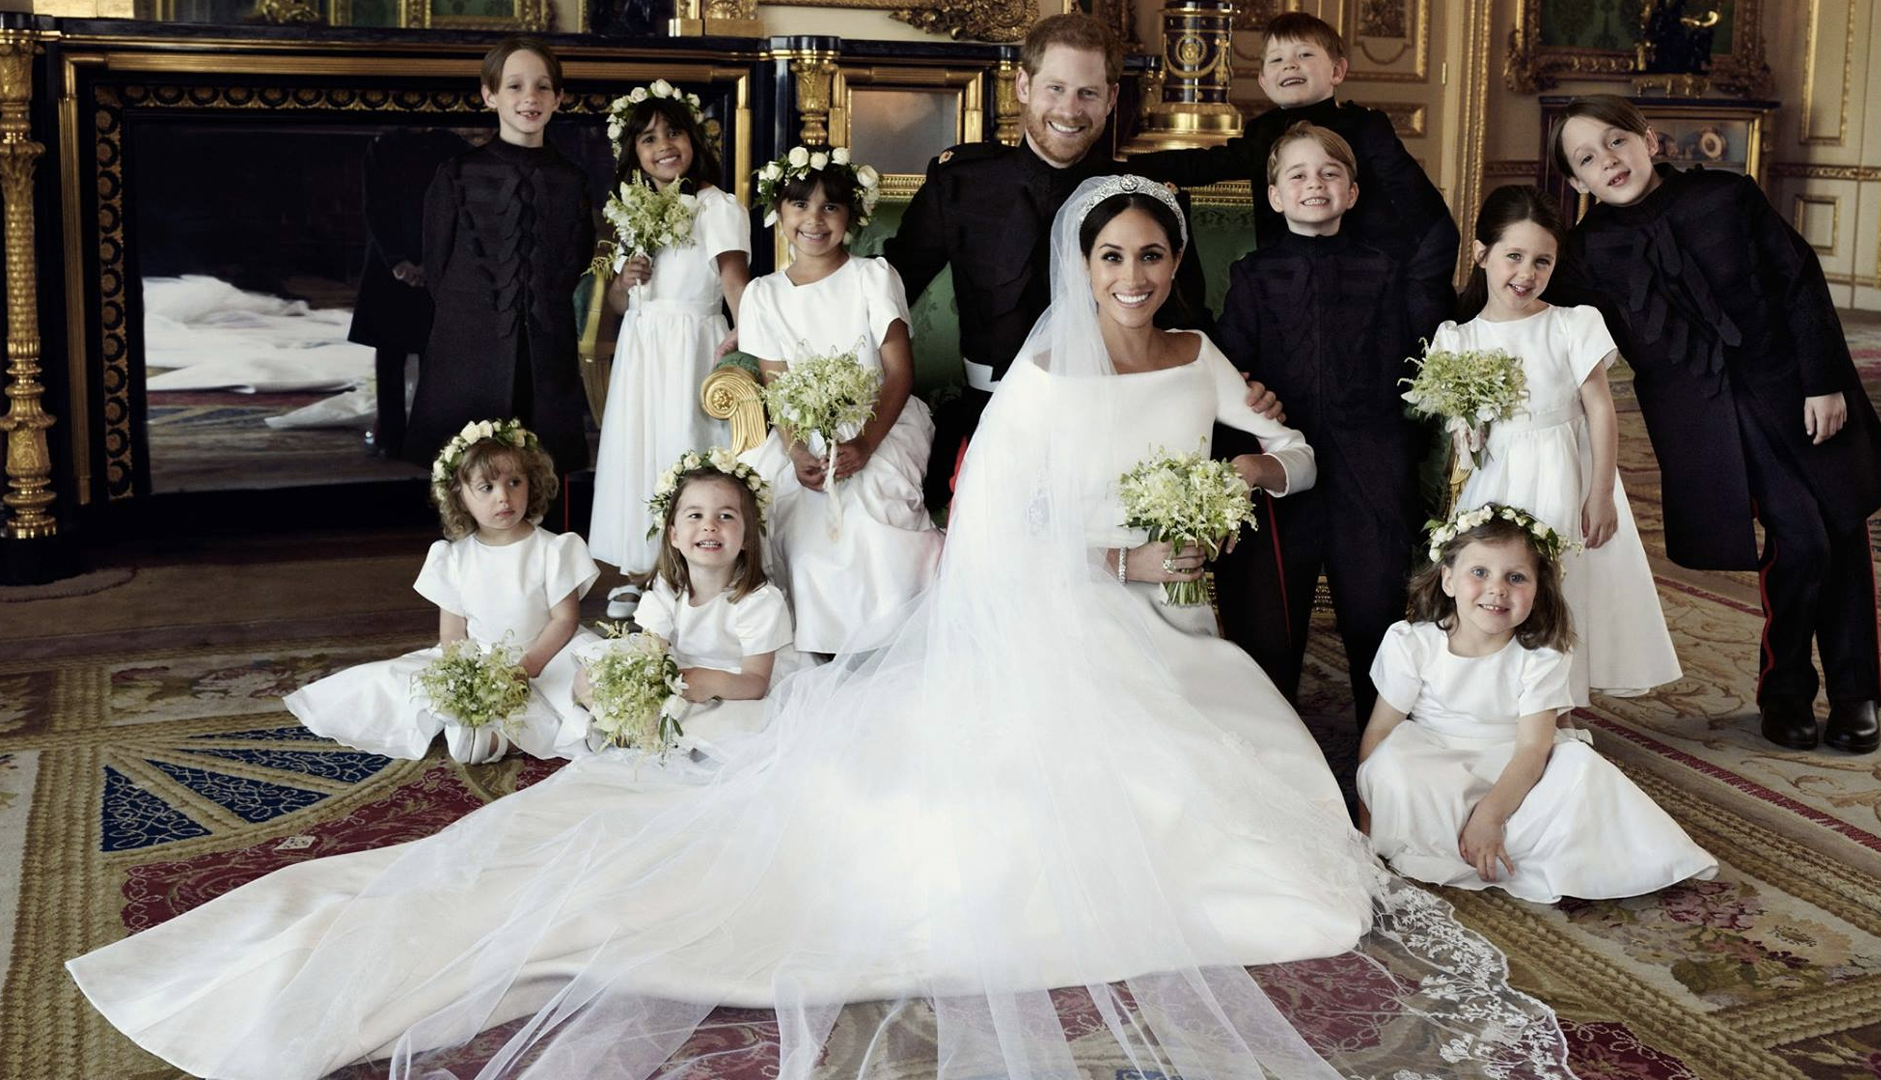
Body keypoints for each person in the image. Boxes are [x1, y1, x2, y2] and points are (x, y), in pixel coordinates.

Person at [66, 178, 1573, 1080]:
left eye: (1154, 259)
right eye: (1114, 260)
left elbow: (1287, 445)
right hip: (1070, 616)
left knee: (1262, 799)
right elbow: (1004, 530)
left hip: (1176, 622)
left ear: (1178, 268)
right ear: (1084, 269)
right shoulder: (1044, 381)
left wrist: (1245, 479)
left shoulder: (1196, 351)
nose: (1135, 278)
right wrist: (1128, 548)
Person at [1550, 94, 1881, 752]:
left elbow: (1798, 281)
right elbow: (1547, 323)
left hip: (1795, 389)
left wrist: (1825, 380)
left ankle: (1856, 694)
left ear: (1649, 139)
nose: (1609, 160)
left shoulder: (1727, 196)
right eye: (1588, 158)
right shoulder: (1589, 251)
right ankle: (1787, 687)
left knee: (1842, 527)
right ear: (1577, 182)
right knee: (1804, 538)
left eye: (1617, 141)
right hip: (1706, 422)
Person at [884, 12, 1268, 510]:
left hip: (1123, 421)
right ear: (1023, 86)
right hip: (996, 415)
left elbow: (1188, 321)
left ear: (1111, 99)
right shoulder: (961, 184)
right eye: (1055, 88)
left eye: (1088, 93)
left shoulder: (1143, 198)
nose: (1069, 109)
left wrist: (1242, 387)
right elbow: (887, 288)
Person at [1211, 123, 1450, 727]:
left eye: (1329, 173)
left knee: (1375, 615)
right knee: (1268, 627)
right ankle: (1272, 744)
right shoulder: (1253, 275)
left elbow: (1411, 366)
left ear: (1352, 191)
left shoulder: (1386, 272)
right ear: (1274, 196)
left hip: (1370, 468)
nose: (1314, 184)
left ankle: (1381, 747)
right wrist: (1250, 391)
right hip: (1282, 470)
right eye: (1297, 175)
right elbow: (1230, 371)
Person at [1357, 503, 1718, 902]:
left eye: (1516, 577)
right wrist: (1365, 826)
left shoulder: (1541, 656)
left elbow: (1533, 749)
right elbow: (1380, 732)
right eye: (1480, 572)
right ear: (1448, 580)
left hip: (1516, 763)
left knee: (1580, 767)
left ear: (1538, 589)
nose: (1498, 588)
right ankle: (1457, 843)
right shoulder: (1412, 644)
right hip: (1435, 762)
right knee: (1392, 766)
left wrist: (1490, 815)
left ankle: (1498, 839)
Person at [1430, 185, 1680, 705]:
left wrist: (1600, 493)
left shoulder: (1572, 324)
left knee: (1564, 583)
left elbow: (1601, 411)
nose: (1526, 273)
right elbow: (1457, 429)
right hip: (1497, 480)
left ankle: (1560, 708)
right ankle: (1503, 700)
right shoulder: (1457, 338)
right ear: (1481, 254)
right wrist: (1466, 429)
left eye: (1541, 261)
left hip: (1567, 474)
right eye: (1514, 256)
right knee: (1500, 585)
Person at [286, 419, 598, 764]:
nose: (503, 496)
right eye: (486, 487)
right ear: (459, 495)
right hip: (483, 659)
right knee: (402, 684)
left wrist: (527, 667)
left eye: (514, 482)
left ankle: (520, 735)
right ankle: (487, 733)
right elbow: (452, 634)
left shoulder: (554, 549)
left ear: (532, 482)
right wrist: (468, 678)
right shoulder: (453, 558)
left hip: (547, 655)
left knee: (584, 686)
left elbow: (564, 619)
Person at [737, 146, 943, 654]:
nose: (814, 219)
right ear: (779, 211)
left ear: (851, 215)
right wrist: (795, 451)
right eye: (800, 204)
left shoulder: (873, 276)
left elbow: (898, 373)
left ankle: (892, 640)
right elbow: (778, 390)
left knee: (873, 523)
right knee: (800, 526)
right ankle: (819, 644)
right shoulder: (762, 294)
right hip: (803, 431)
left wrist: (866, 443)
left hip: (879, 421)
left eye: (830, 206)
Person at [587, 81, 752, 613]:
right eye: (649, 138)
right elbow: (619, 303)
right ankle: (637, 569)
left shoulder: (715, 206)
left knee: (685, 446)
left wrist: (747, 335)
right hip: (643, 348)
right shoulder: (632, 210)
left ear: (694, 140)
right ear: (633, 152)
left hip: (691, 346)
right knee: (639, 450)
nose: (664, 146)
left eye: (674, 133)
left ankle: (690, 572)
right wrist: (624, 280)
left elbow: (735, 282)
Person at [1128, 11, 1456, 273]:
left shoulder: (1365, 126)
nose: (1290, 64)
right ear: (1263, 81)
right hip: (1286, 269)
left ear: (1337, 71)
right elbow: (1207, 164)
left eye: (1305, 54)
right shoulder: (1263, 132)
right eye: (1276, 60)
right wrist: (1130, 165)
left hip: (1363, 268)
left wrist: (1414, 270)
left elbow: (1416, 200)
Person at [402, 36, 596, 474]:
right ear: (490, 95)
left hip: (546, 353)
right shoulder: (456, 175)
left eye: (543, 86)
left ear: (558, 98)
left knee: (543, 473)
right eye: (515, 86)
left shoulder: (573, 181)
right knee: (465, 475)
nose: (530, 97)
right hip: (467, 350)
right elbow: (437, 267)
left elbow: (576, 262)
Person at [575, 450, 801, 755]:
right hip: (679, 676)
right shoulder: (668, 588)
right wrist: (643, 685)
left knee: (720, 725)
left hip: (733, 688)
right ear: (674, 535)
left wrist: (707, 682)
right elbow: (652, 651)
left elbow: (756, 682)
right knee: (587, 677)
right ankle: (630, 724)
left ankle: (652, 735)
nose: (710, 526)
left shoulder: (759, 601)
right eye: (695, 515)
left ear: (747, 537)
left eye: (726, 516)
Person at [347, 127, 470, 458]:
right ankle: (393, 435)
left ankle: (429, 435)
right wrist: (396, 260)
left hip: (436, 260)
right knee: (391, 351)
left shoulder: (452, 146)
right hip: (392, 258)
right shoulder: (386, 145)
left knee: (435, 353)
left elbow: (459, 207)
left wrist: (434, 261)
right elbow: (375, 206)